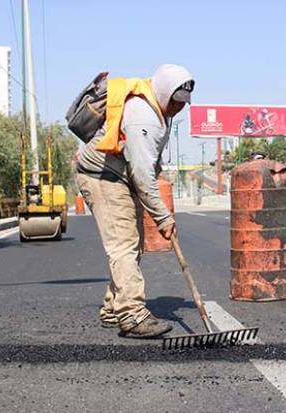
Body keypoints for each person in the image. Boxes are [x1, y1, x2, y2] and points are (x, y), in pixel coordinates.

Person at [76, 64, 195, 338]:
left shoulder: (158, 110)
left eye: (182, 104)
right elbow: (143, 175)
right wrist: (163, 217)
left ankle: (112, 308)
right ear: (164, 92)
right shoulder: (143, 116)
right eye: (175, 102)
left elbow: (148, 166)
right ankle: (131, 315)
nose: (178, 109)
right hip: (101, 175)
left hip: (120, 175)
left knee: (134, 242)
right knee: (124, 244)